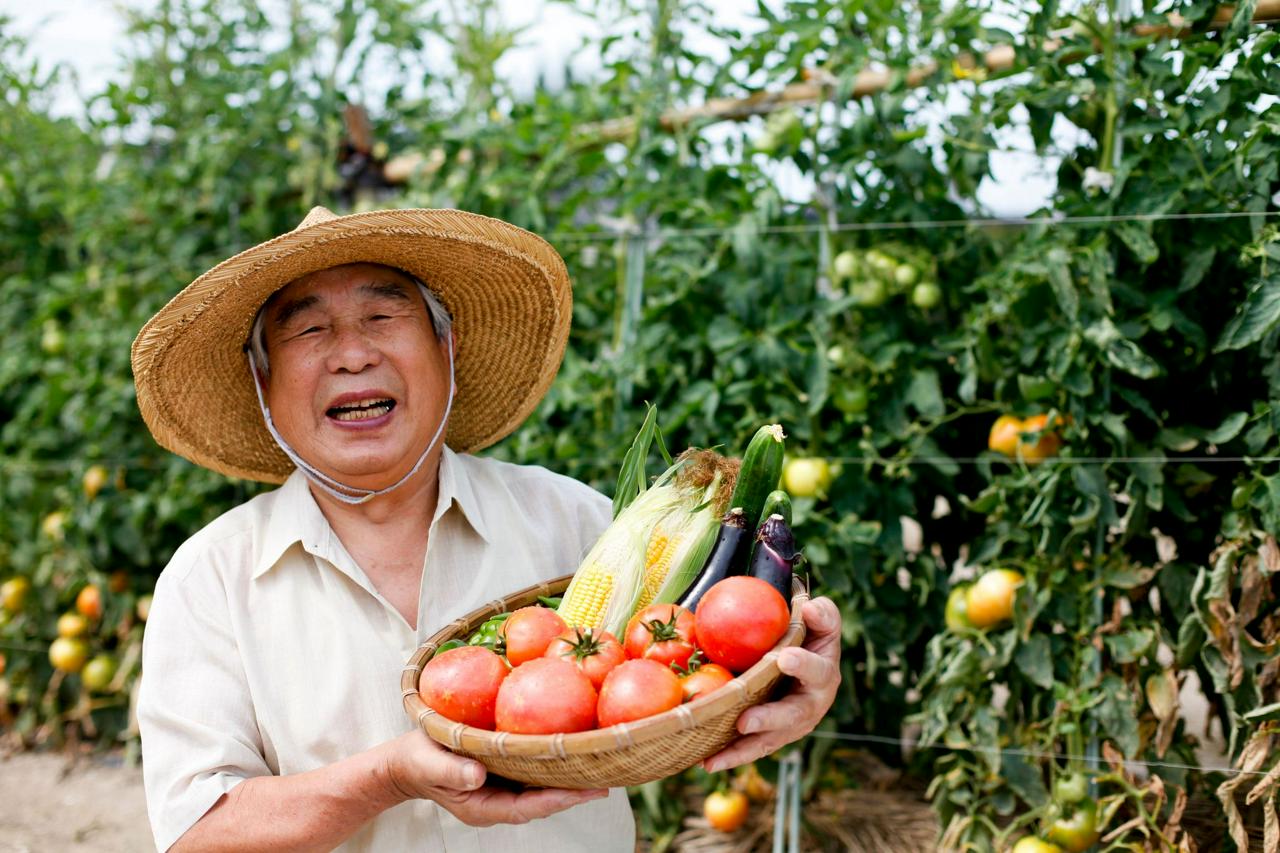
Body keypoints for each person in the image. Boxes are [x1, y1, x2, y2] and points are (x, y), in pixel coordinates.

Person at [131, 206, 842, 852]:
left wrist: (785, 687)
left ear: (449, 348)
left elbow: (713, 654)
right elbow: (198, 833)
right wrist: (388, 775)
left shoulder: (577, 522)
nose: (351, 354)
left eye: (383, 317)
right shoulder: (211, 580)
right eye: (309, 328)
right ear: (262, 382)